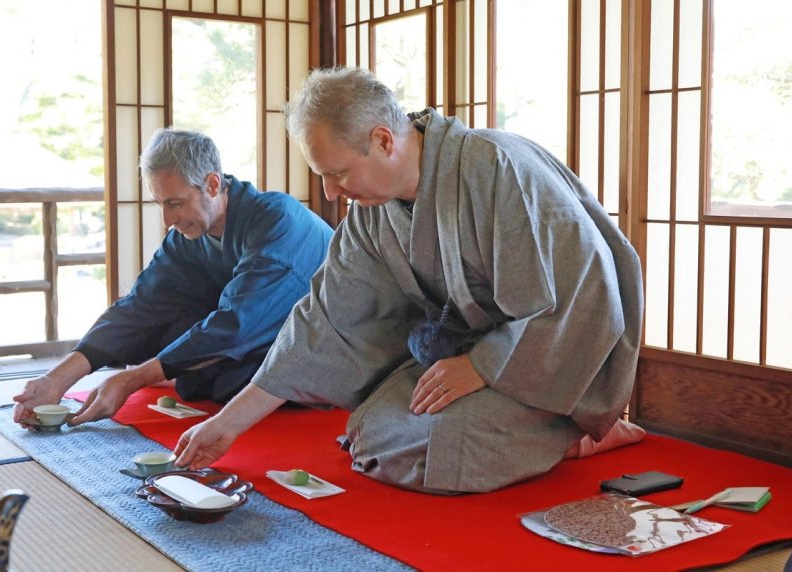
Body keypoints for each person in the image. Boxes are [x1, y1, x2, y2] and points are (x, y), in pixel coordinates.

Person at [173, 67, 645, 494]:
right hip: (469, 356)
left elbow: (575, 294)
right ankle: (538, 436)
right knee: (370, 430)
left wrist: (482, 365)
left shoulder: (497, 169)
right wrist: (227, 424)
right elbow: (325, 320)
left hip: (553, 358)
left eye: (336, 174)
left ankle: (580, 430)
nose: (330, 193)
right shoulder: (371, 214)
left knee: (443, 445)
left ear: (383, 140)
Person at [13, 128, 334, 426]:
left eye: (175, 203)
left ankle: (182, 373)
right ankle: (183, 371)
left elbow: (239, 324)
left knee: (228, 356)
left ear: (211, 184)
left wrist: (134, 378)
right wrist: (57, 379)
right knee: (166, 330)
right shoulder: (186, 238)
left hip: (321, 345)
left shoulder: (277, 219)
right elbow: (141, 306)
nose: (167, 219)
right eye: (159, 204)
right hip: (253, 342)